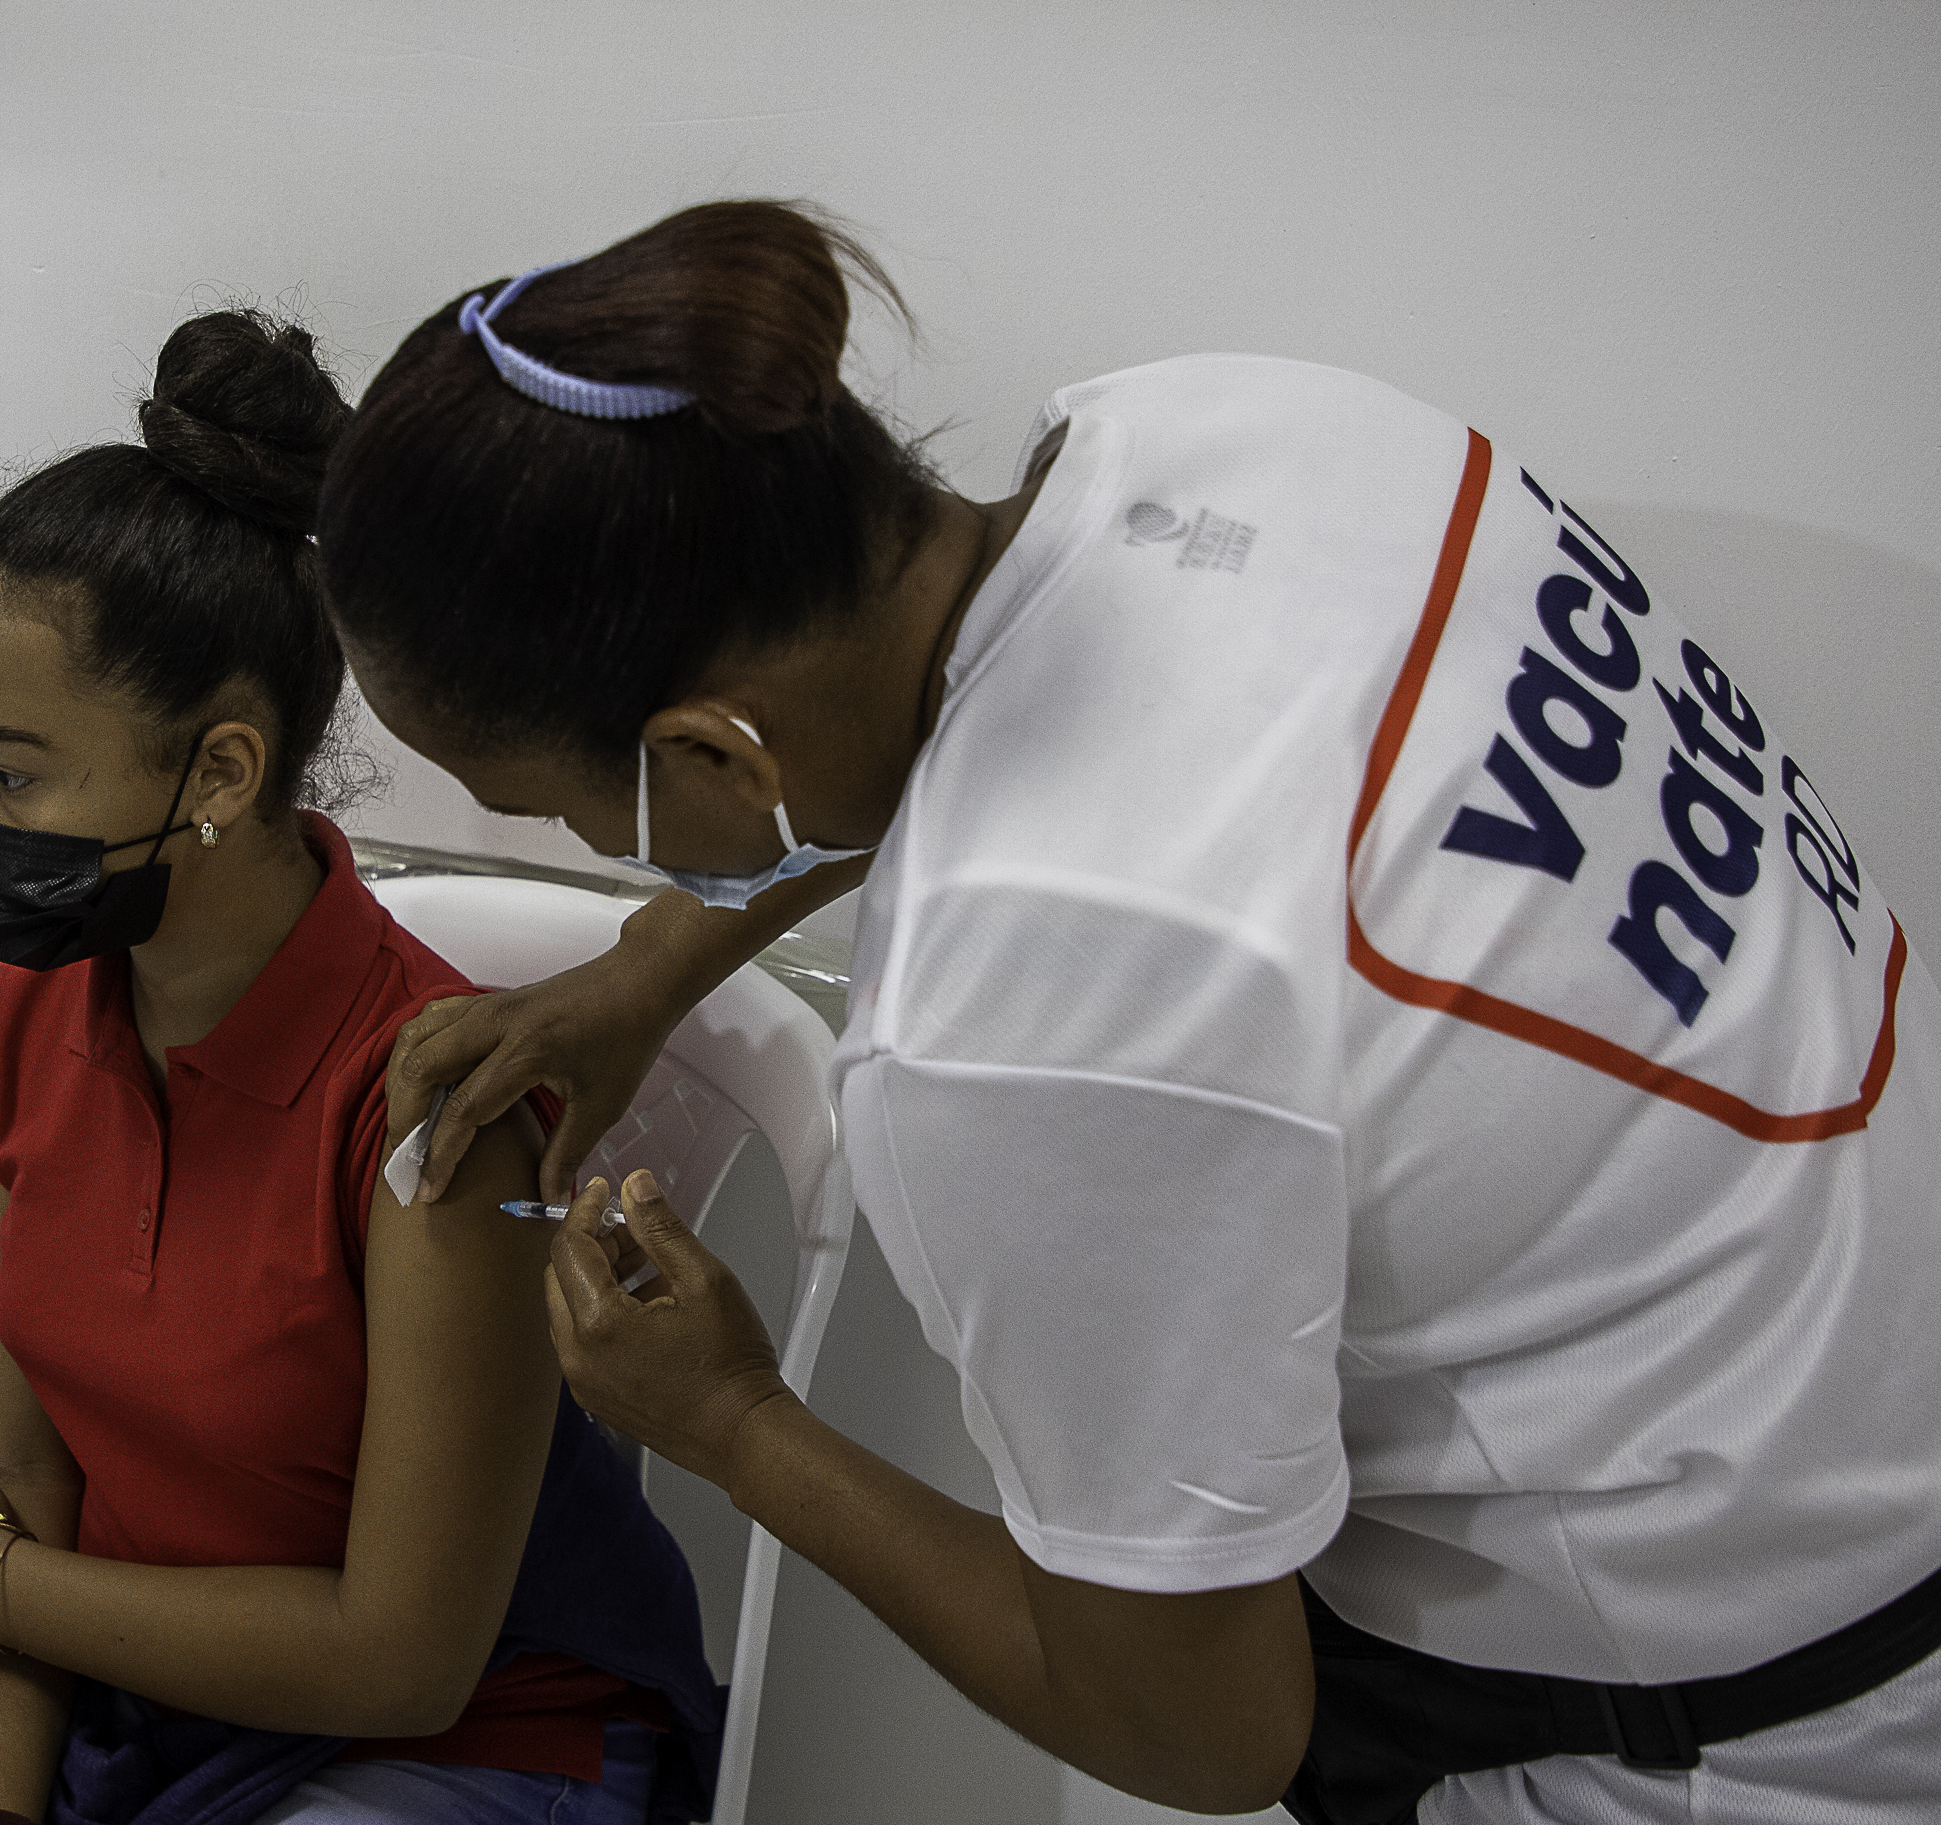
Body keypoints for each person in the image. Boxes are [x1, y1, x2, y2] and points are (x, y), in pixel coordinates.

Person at [312, 202, 1941, 1822]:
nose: (589, 846)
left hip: (1758, 1724)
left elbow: (1199, 1735)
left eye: (561, 811)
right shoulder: (1233, 429)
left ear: (716, 753)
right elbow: (1087, 764)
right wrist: (649, 964)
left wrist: (730, 1420)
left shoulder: (1012, 1047)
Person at [0, 310, 721, 1825]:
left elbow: (397, 1661)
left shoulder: (434, 1099)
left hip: (457, 1732)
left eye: (8, 770)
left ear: (220, 771)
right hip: (113, 1673)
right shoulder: (17, 1024)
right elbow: (20, 1489)